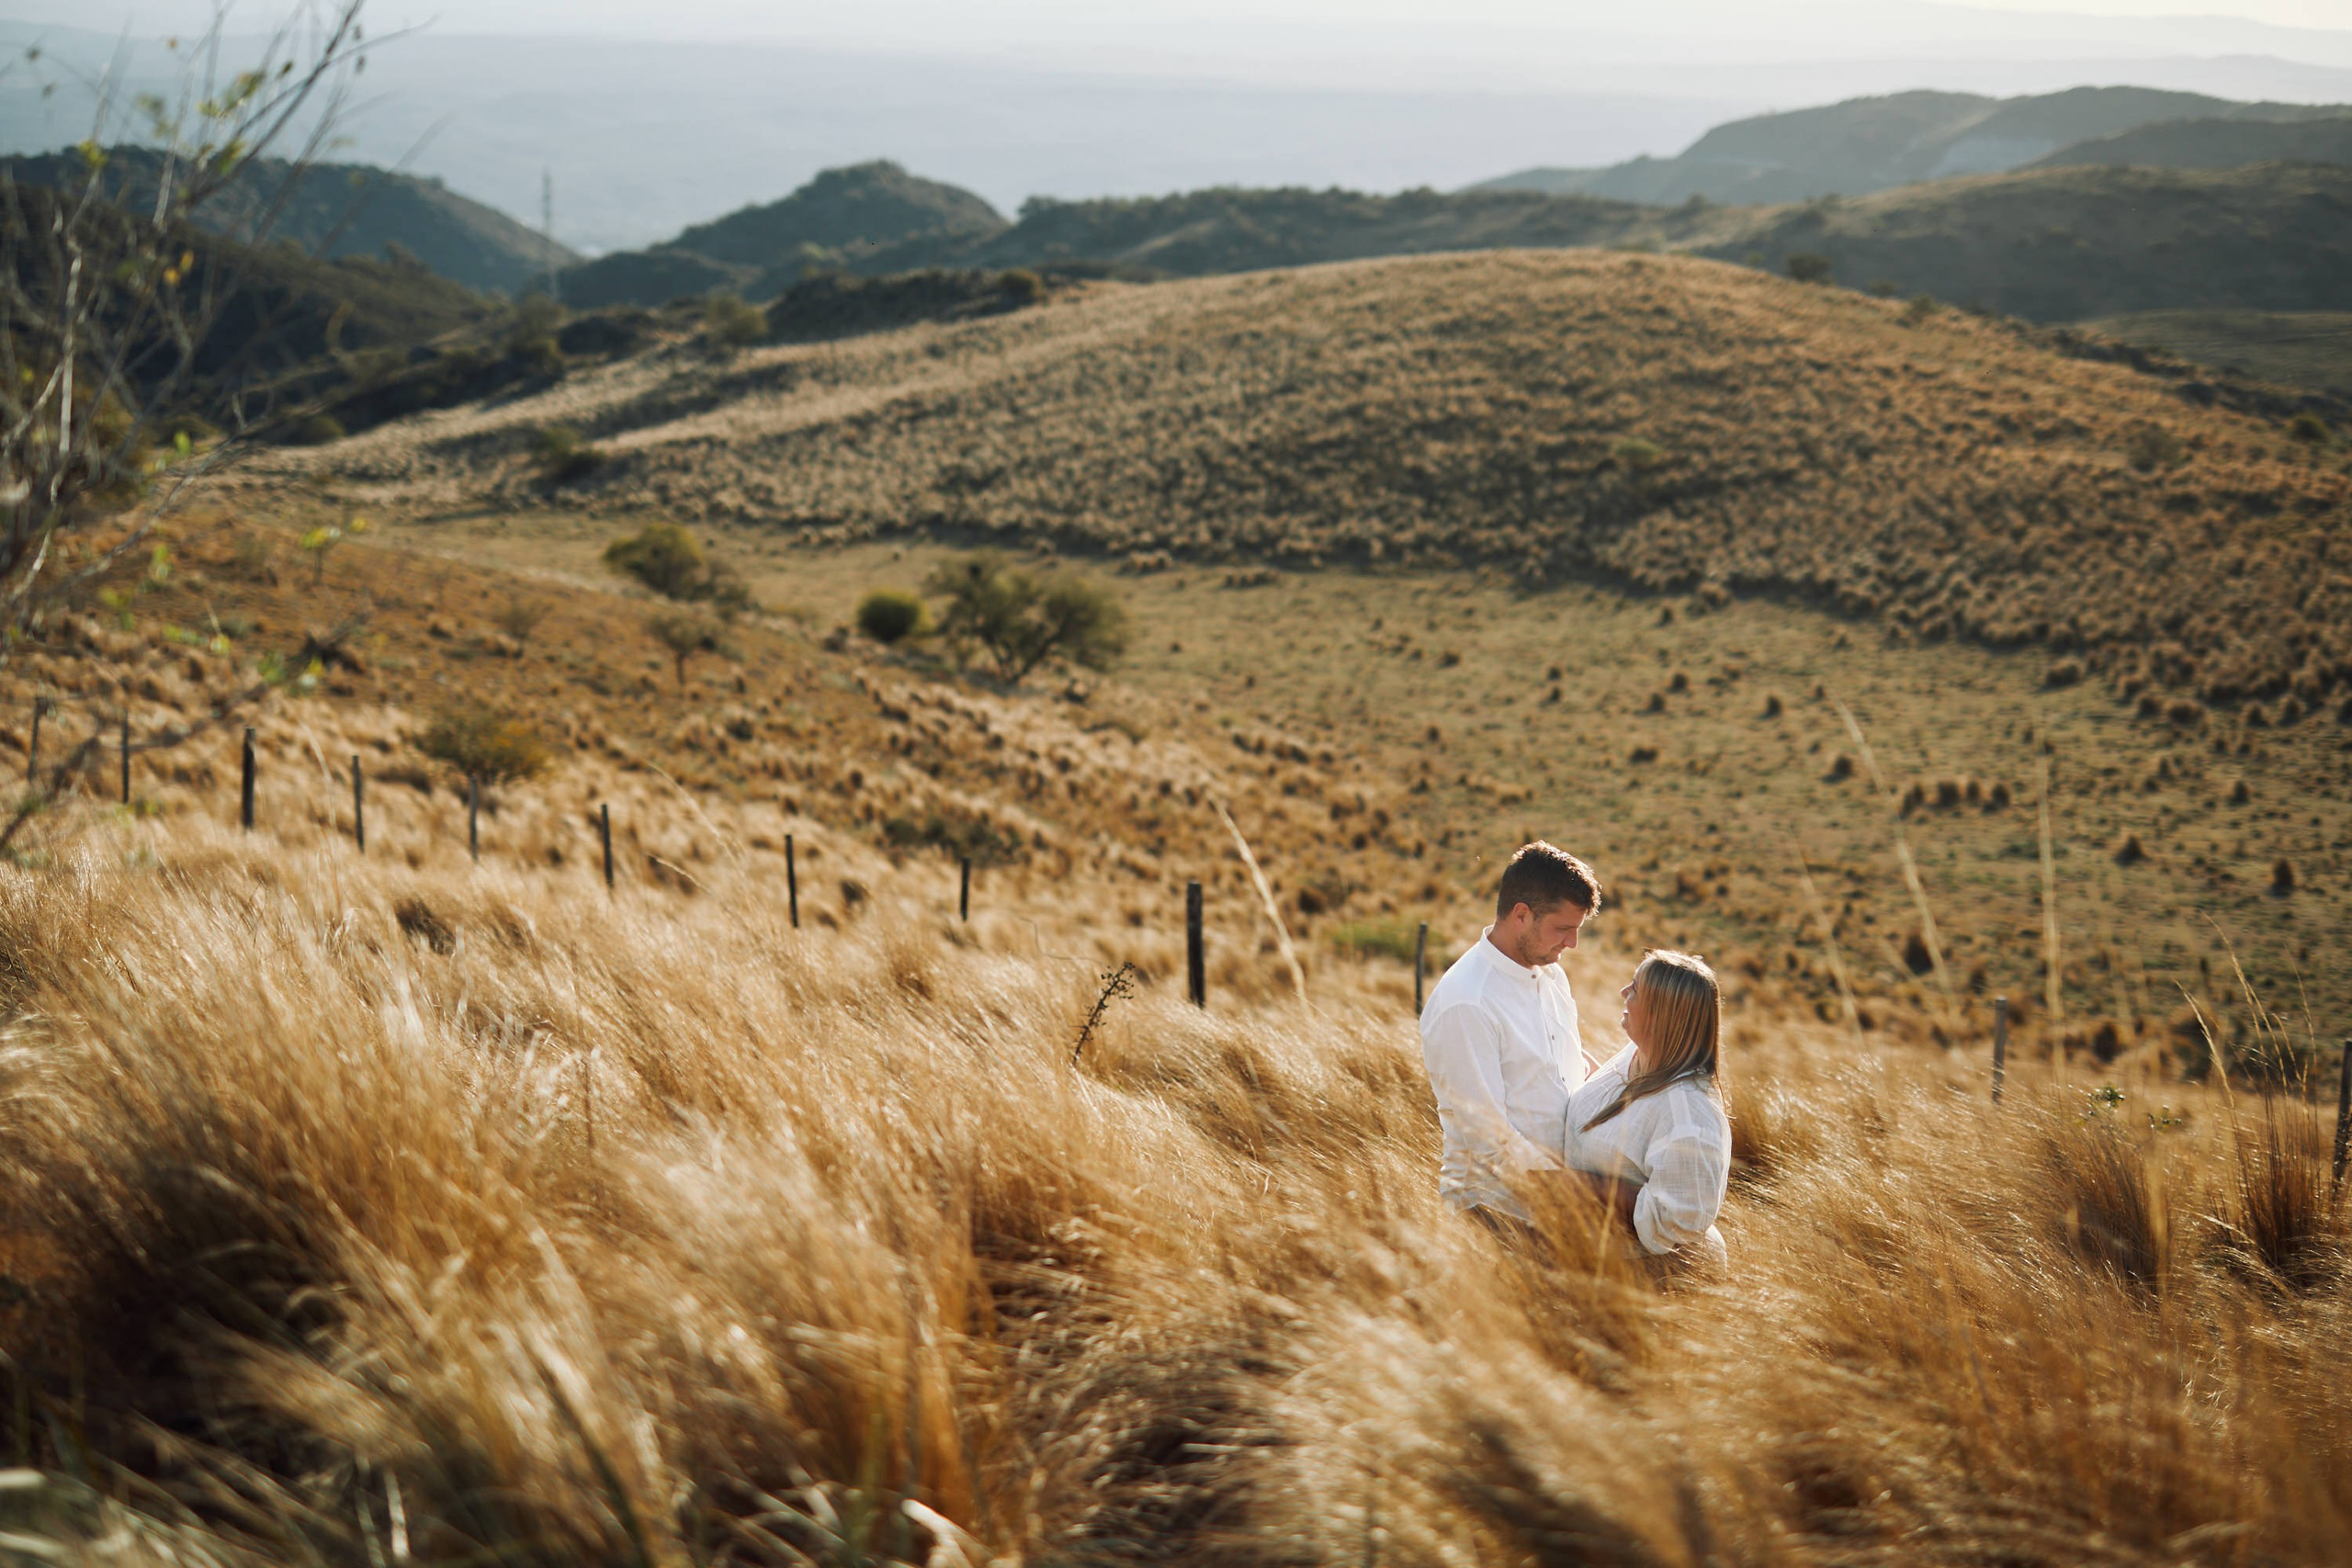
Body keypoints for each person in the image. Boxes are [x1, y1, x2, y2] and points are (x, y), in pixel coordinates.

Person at [1419, 841, 1602, 1225]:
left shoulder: (1552, 976)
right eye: (1563, 929)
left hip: (1557, 1204)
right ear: (1521, 915)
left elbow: (1567, 1069)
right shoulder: (1467, 1002)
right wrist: (1582, 1194)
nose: (1572, 943)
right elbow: (1488, 1140)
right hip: (1497, 1215)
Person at [1563, 950, 1731, 1269]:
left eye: (1636, 988)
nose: (1624, 992)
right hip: (1586, 1256)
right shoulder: (1639, 1055)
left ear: (1659, 1015)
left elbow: (1677, 1223)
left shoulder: (1690, 1116)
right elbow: (1624, 1110)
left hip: (1644, 1279)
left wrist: (1578, 1186)